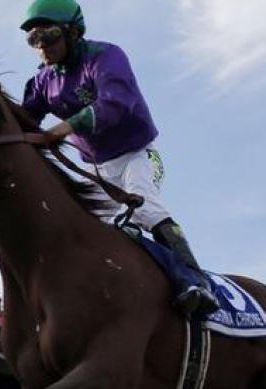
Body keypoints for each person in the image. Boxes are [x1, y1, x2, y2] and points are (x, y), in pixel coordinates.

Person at [20, 0, 219, 318]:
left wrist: (67, 126)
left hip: (138, 154)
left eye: (50, 35)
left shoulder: (105, 56)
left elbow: (116, 101)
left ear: (73, 31)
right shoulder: (43, 80)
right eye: (33, 39)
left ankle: (195, 282)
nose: (42, 46)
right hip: (95, 170)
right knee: (90, 228)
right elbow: (23, 121)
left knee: (146, 211)